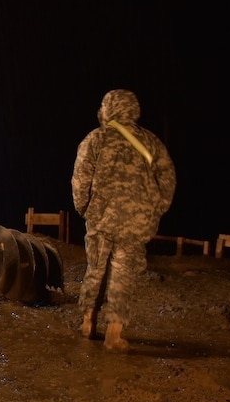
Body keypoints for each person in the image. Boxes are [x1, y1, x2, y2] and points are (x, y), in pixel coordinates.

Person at [72, 89, 177, 351]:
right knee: (123, 274)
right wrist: (155, 209)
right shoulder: (150, 142)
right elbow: (168, 178)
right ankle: (114, 334)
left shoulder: (95, 139)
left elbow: (80, 178)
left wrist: (85, 208)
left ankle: (88, 323)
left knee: (95, 268)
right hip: (136, 222)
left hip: (102, 217)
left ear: (107, 110)